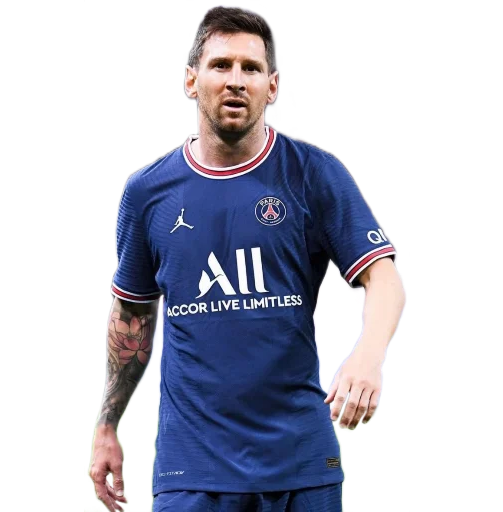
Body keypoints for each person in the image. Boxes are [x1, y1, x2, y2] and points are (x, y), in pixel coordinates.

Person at [88, 5, 407, 512]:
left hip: (300, 464)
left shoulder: (311, 174)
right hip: (191, 471)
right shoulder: (147, 193)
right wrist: (107, 426)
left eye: (251, 68)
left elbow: (384, 278)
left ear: (271, 87)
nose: (236, 80)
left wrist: (368, 356)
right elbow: (133, 317)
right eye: (221, 65)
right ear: (191, 81)